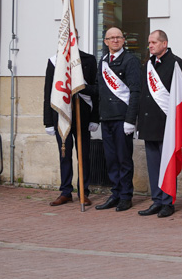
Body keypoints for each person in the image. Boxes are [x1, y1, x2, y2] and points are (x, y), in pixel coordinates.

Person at [137, 30, 182, 218]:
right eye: (149, 42)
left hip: (166, 124)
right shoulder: (148, 64)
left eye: (153, 42)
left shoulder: (177, 65)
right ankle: (157, 200)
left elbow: (181, 97)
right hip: (149, 123)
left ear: (164, 44)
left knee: (167, 165)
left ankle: (168, 202)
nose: (150, 45)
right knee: (153, 165)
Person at [43, 38, 99, 206]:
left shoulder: (88, 60)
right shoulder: (55, 62)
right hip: (61, 116)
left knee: (83, 155)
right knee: (64, 155)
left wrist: (95, 117)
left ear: (76, 40)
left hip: (83, 116)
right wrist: (48, 122)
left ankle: (84, 191)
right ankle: (66, 191)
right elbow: (48, 92)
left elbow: (96, 92)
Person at [95, 26, 142, 212]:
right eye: (111, 38)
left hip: (122, 120)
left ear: (123, 40)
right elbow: (99, 90)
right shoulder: (104, 61)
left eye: (118, 37)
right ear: (105, 42)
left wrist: (131, 120)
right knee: (111, 159)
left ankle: (125, 196)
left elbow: (135, 91)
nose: (115, 40)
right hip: (106, 118)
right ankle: (115, 193)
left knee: (124, 160)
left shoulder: (130, 61)